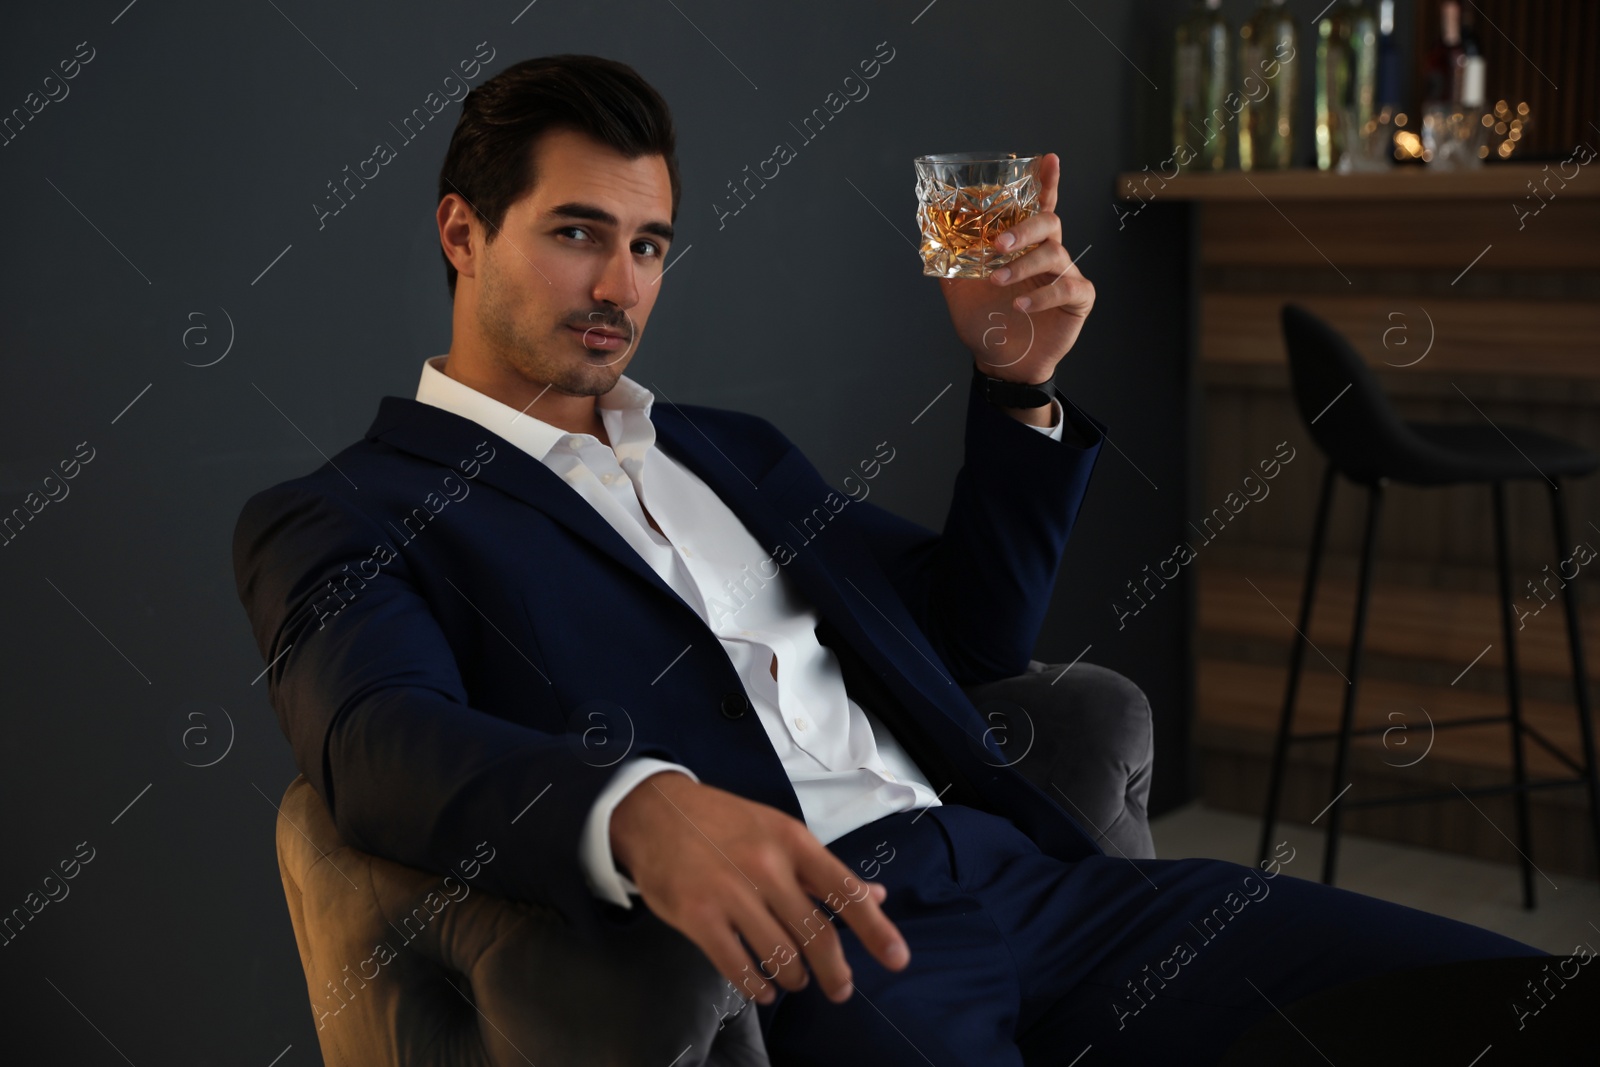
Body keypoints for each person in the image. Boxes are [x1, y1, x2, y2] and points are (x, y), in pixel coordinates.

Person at [232, 53, 1545, 1066]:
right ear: (463, 232)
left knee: (1497, 1002)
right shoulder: (349, 508)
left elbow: (969, 638)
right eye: (577, 232)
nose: (620, 286)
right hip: (834, 951)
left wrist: (1014, 386)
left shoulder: (725, 450)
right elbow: (375, 739)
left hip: (1024, 877)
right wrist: (630, 806)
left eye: (647, 245)